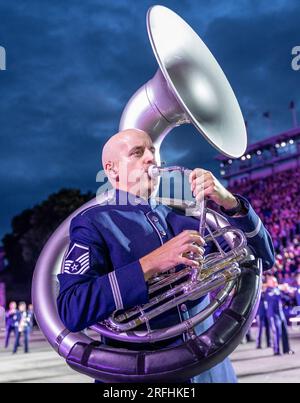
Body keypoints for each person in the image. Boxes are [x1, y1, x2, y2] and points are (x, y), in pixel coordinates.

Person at [57, 128, 275, 383]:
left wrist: (230, 202)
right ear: (112, 169)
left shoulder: (186, 217)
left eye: (152, 150)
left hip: (214, 373)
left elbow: (263, 256)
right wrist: (150, 264)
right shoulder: (94, 222)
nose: (151, 158)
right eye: (137, 153)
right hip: (145, 379)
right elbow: (72, 308)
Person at [264, 275, 293, 356]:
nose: (275, 282)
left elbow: (285, 298)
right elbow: (274, 297)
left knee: (285, 331)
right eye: (273, 281)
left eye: (275, 281)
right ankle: (276, 350)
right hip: (273, 314)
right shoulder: (267, 291)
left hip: (280, 313)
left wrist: (287, 291)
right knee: (276, 332)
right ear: (269, 282)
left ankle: (286, 349)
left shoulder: (276, 289)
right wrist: (280, 289)